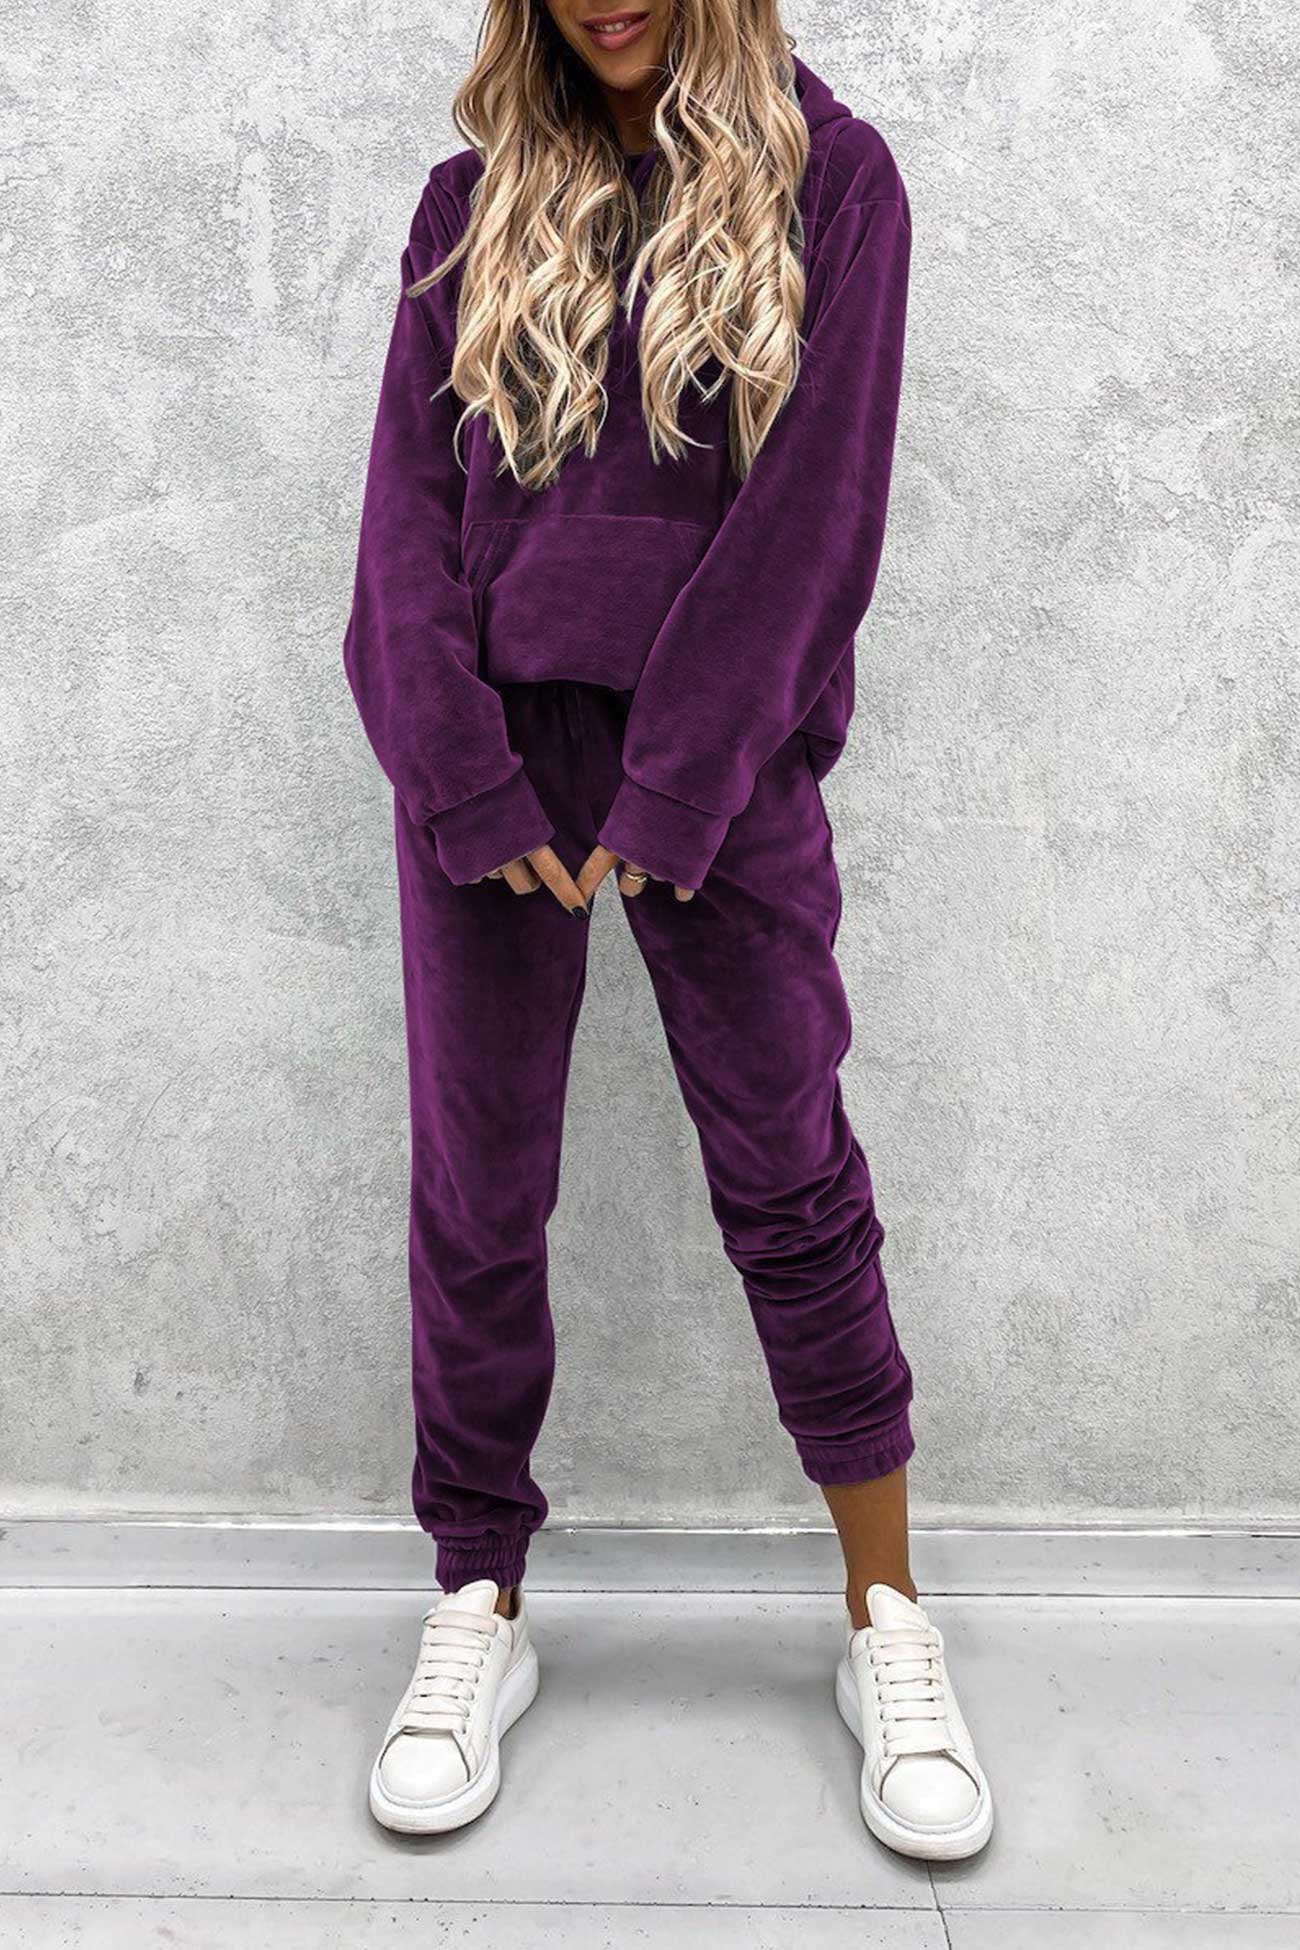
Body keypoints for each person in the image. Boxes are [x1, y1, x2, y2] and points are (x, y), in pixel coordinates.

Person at [342, 0, 992, 1862]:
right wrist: (469, 786)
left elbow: (817, 520)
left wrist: (677, 783)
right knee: (479, 1193)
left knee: (791, 1177)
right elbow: (401, 528)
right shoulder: (467, 202)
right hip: (497, 751)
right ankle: (479, 1596)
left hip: (730, 753)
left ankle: (886, 1619)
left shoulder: (837, 182)